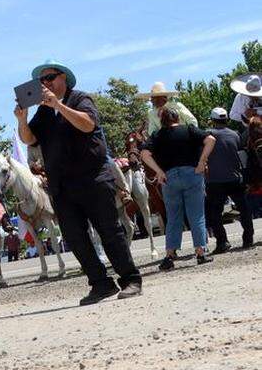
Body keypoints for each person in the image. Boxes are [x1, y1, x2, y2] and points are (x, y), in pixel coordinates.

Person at [16, 60, 142, 305]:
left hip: (93, 178)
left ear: (64, 78)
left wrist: (59, 105)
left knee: (110, 232)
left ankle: (130, 279)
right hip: (62, 185)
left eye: (49, 78)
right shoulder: (43, 112)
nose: (45, 84)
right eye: (41, 81)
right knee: (75, 237)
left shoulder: (80, 99)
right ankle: (100, 283)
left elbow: (88, 124)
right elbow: (29, 140)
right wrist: (22, 119)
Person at [140, 107, 216, 269]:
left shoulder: (157, 136)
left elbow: (144, 154)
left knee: (173, 217)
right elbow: (211, 140)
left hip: (169, 178)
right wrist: (202, 162)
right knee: (196, 215)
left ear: (162, 121)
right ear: (177, 118)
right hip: (192, 174)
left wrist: (159, 171)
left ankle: (170, 255)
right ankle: (200, 252)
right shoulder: (189, 130)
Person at [204, 107, 252, 251]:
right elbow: (242, 157)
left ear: (212, 121)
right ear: (226, 119)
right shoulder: (235, 135)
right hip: (235, 179)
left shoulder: (207, 135)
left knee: (215, 213)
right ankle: (248, 238)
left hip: (215, 181)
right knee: (244, 209)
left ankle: (222, 242)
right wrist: (246, 178)